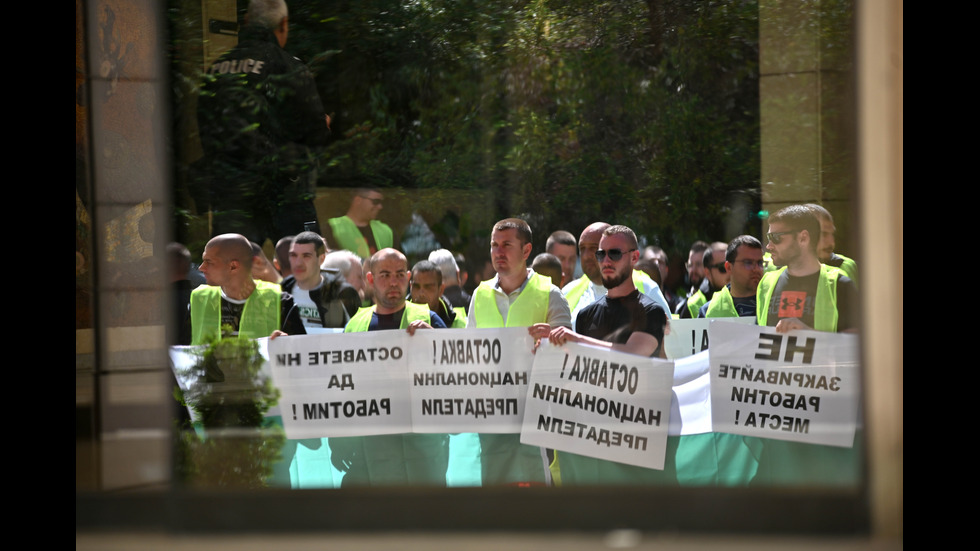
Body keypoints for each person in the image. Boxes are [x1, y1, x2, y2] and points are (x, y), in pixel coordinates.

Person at [547, 225, 675, 485]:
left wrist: (575, 338)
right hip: (595, 441)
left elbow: (631, 356)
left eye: (614, 253)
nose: (605, 261)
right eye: (601, 254)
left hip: (637, 445)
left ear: (634, 257)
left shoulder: (650, 312)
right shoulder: (584, 316)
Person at [195, 0, 330, 244]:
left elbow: (205, 131)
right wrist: (323, 125)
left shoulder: (216, 70)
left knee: (230, 268)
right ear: (283, 24)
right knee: (304, 269)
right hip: (285, 193)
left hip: (233, 195)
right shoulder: (289, 66)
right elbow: (315, 132)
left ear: (246, 21)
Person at [328, 248, 448, 487]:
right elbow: (340, 386)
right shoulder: (355, 324)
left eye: (400, 274)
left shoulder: (429, 320)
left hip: (421, 451)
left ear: (409, 277)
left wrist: (436, 341)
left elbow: (457, 375)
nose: (394, 282)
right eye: (384, 275)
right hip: (368, 450)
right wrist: (339, 441)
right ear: (370, 279)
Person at [467, 218, 572, 486]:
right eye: (494, 245)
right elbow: (466, 354)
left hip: (536, 414)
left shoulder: (551, 294)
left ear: (526, 251)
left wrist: (551, 343)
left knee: (536, 495)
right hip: (491, 415)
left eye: (506, 245)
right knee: (495, 492)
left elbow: (568, 357)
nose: (498, 252)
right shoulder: (478, 296)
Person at [757, 205, 858, 333]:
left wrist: (809, 333)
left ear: (803, 238)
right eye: (768, 238)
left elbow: (857, 344)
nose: (769, 246)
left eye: (776, 238)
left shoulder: (840, 285)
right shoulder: (766, 283)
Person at [190, 233, 304, 344]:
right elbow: (179, 349)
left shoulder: (281, 302)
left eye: (208, 262)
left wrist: (288, 342)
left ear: (233, 266)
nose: (201, 268)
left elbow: (303, 351)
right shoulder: (199, 299)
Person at [562, 222, 672, 328]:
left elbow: (671, 339)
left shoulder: (647, 288)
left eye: (594, 248)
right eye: (582, 249)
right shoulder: (568, 292)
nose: (586, 256)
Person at [279, 232, 360, 332]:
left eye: (306, 256)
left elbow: (357, 333)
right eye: (294, 255)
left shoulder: (342, 293)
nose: (298, 263)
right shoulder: (281, 292)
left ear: (321, 259)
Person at [699, 235, 765, 318]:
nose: (756, 269)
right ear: (729, 267)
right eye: (748, 263)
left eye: (760, 263)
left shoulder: (774, 303)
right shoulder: (708, 311)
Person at [326, 188, 395, 260]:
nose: (380, 207)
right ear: (358, 200)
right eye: (375, 201)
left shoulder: (386, 231)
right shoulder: (332, 227)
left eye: (381, 202)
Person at [805, 203, 859, 285]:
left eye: (832, 234)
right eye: (823, 234)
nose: (831, 242)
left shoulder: (847, 266)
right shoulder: (781, 269)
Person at [678, 242, 728, 319]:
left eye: (698, 264)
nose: (693, 270)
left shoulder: (747, 296)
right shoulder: (692, 304)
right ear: (707, 271)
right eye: (690, 265)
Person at [410, 259, 466, 328]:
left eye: (428, 287)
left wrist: (434, 335)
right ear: (410, 286)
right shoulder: (397, 313)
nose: (421, 293)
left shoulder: (458, 321)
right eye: (416, 286)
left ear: (441, 290)